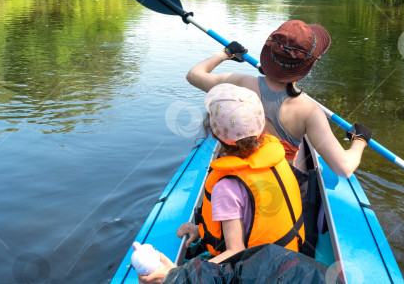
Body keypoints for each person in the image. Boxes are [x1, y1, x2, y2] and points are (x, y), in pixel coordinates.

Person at [138, 84, 304, 284]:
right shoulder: (276, 158)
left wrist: (177, 275)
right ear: (260, 127)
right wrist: (202, 230)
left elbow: (236, 251)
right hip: (289, 262)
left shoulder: (226, 187)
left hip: (260, 275)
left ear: (215, 135)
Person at [186, 20, 372, 179]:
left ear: (269, 54)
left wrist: (225, 54)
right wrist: (360, 140)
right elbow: (344, 168)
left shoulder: (239, 83)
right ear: (312, 64)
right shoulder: (309, 111)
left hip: (237, 179)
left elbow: (194, 75)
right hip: (276, 187)